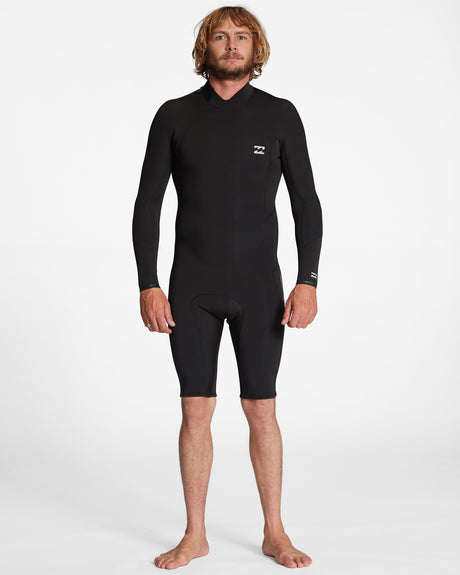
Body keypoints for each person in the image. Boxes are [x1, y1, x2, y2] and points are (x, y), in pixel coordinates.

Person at [132, 5, 322, 570]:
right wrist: (148, 284)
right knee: (195, 409)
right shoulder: (174, 115)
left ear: (255, 48)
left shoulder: (280, 115)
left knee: (261, 408)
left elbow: (306, 203)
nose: (231, 45)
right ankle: (195, 534)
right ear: (206, 48)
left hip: (259, 287)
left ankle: (275, 531)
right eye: (220, 36)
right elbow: (147, 205)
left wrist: (307, 280)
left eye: (242, 37)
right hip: (190, 287)